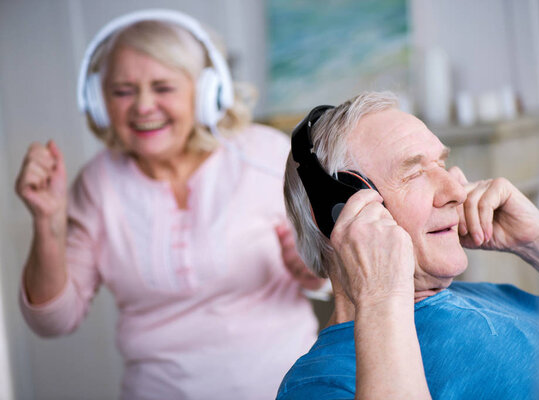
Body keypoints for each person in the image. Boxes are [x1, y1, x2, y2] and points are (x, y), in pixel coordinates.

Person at [14, 9, 325, 400]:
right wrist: (47, 222)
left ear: (206, 93)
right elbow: (53, 322)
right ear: (97, 101)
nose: (143, 106)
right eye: (122, 91)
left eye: (163, 88)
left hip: (286, 387)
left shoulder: (264, 154)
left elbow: (324, 275)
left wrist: (310, 267)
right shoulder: (97, 183)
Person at [277, 91, 539, 399]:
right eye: (413, 173)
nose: (457, 190)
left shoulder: (492, 294)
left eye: (442, 164)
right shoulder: (319, 382)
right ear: (338, 210)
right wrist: (381, 300)